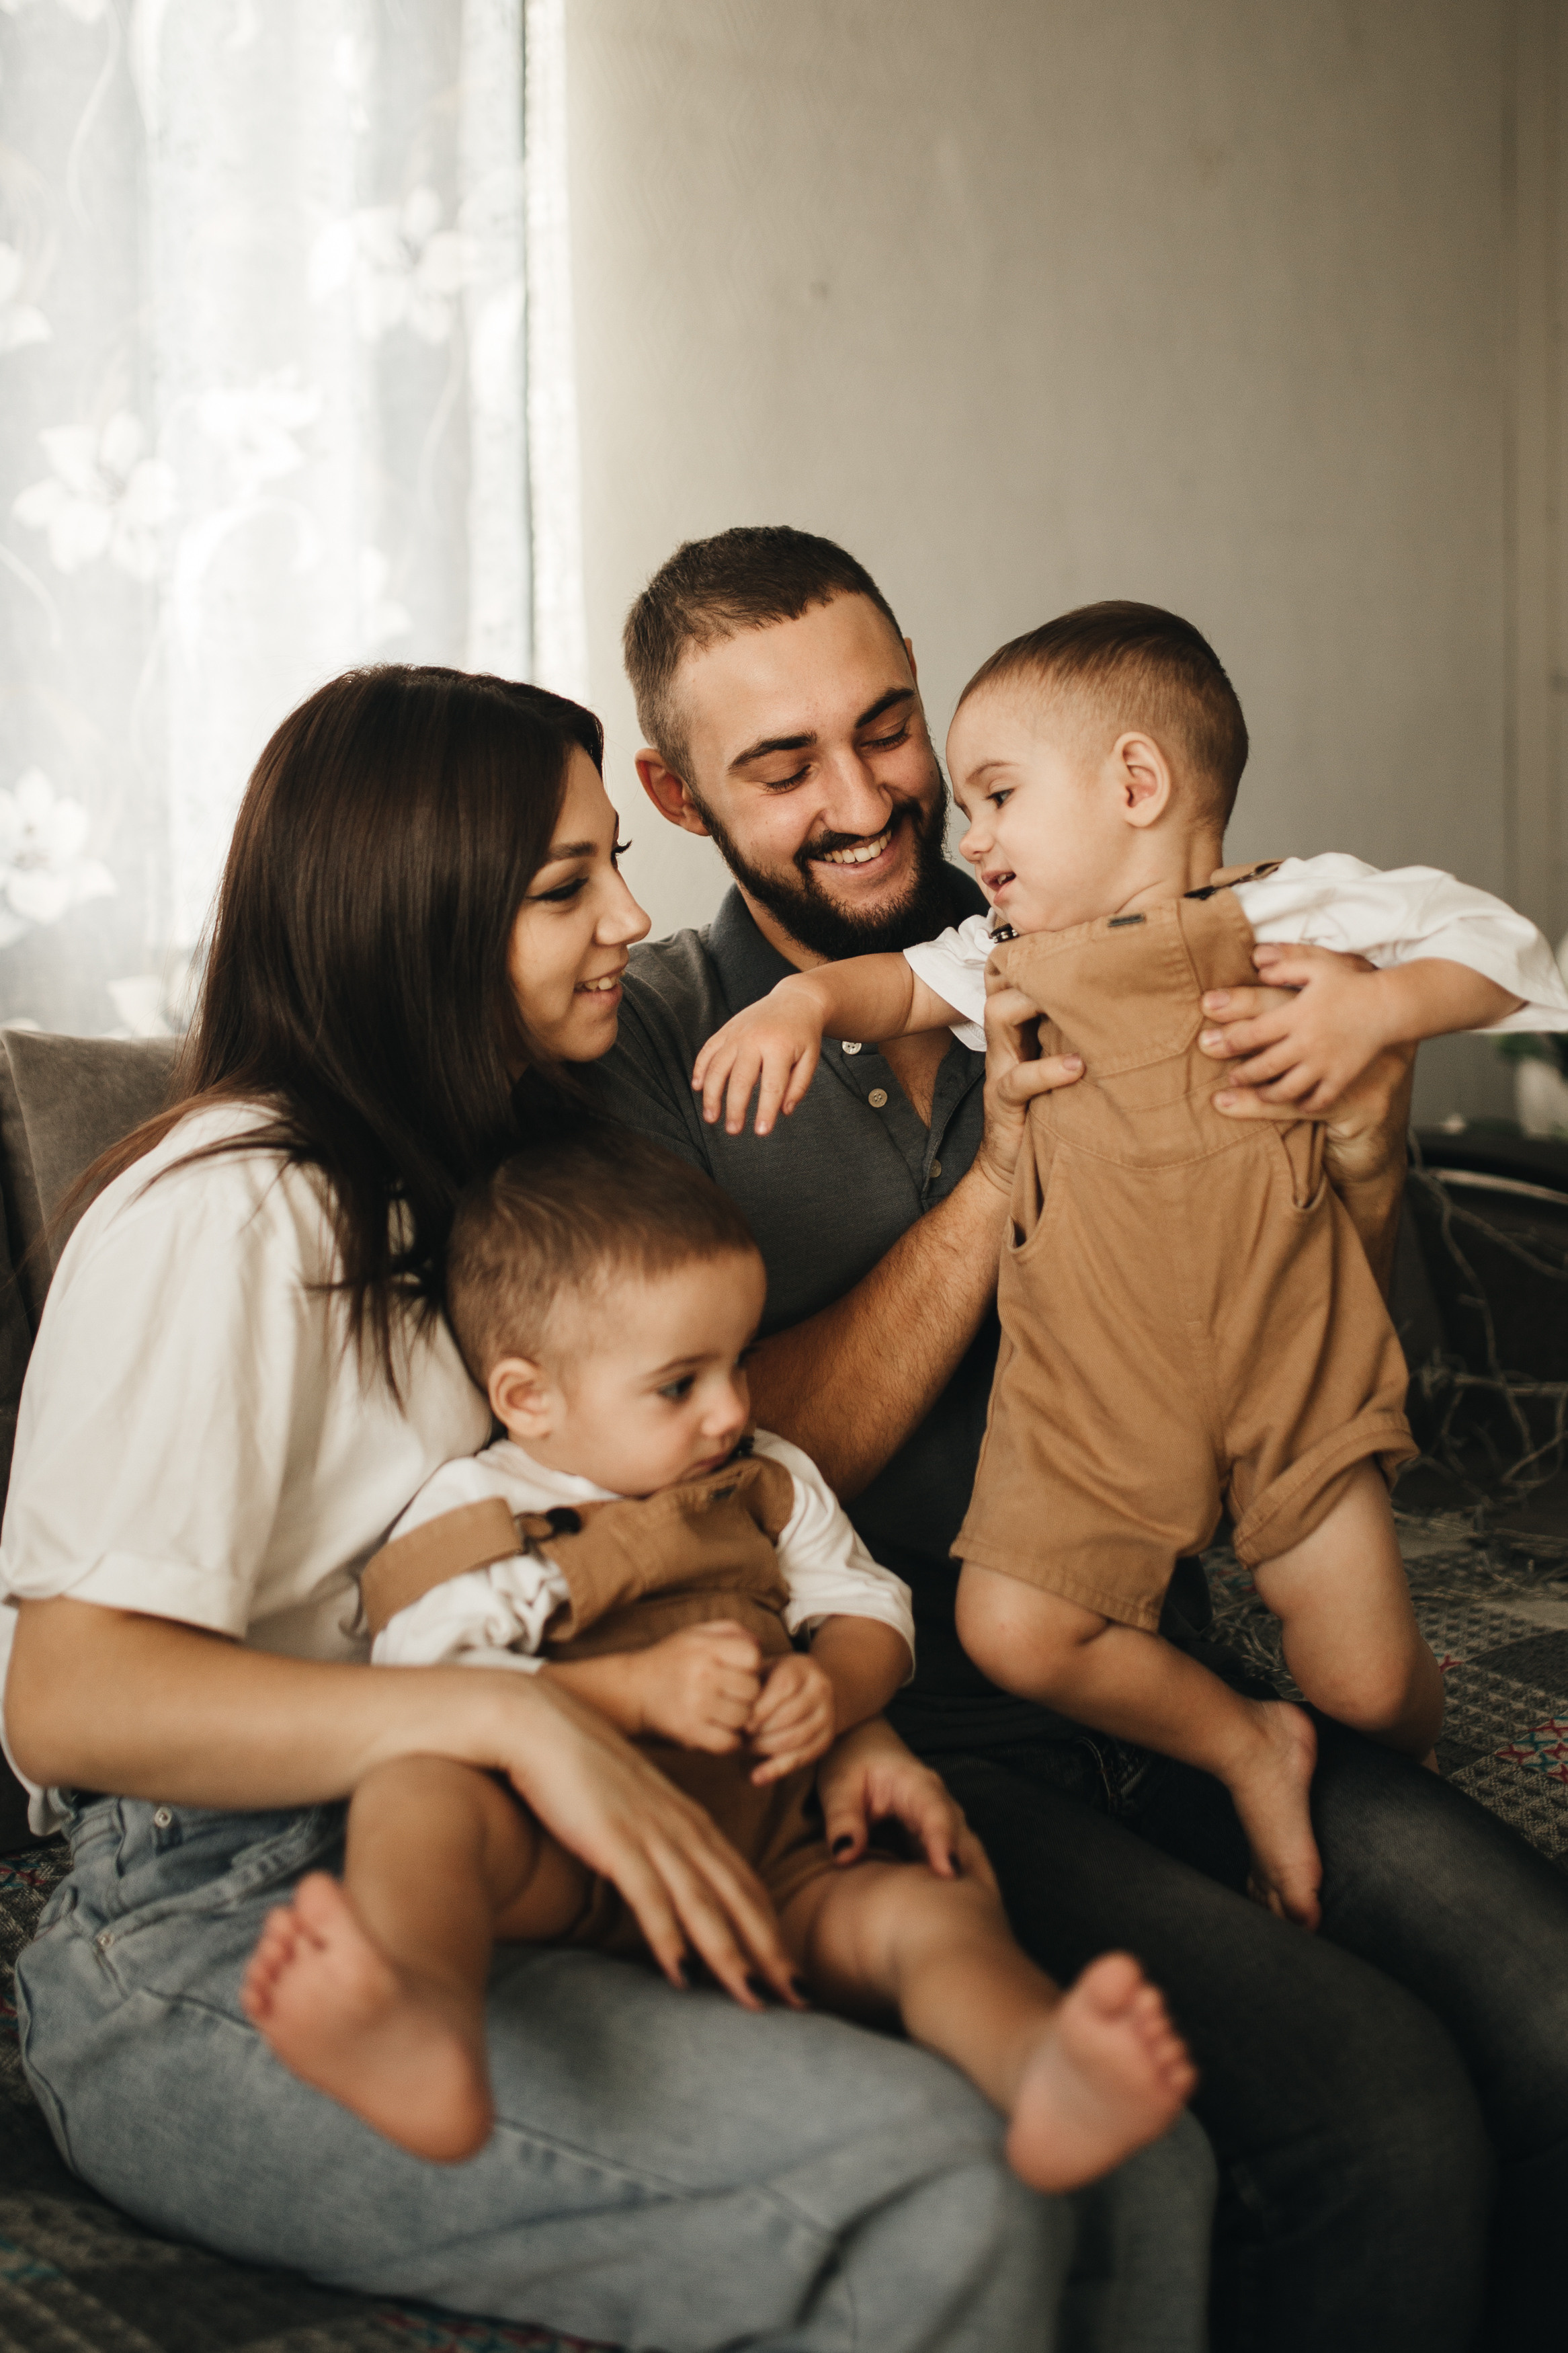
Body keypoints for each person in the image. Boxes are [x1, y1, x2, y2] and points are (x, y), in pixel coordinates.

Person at [0, 664, 1214, 2353]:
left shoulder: (496, 1208)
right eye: (569, 884)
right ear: (413, 919)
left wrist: (825, 1707)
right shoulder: (232, 1212)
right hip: (223, 1916)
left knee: (1140, 2166)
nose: (635, 916)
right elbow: (67, 1696)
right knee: (928, 2172)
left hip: (532, 1829)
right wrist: (523, 1724)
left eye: (616, 863)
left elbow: (683, 1519)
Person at [586, 524, 1568, 2353]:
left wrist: (1358, 1142)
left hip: (1179, 1639)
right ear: (671, 789)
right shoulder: (655, 1040)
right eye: (783, 765)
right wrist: (993, 1188)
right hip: (921, 1719)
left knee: (1554, 2015)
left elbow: (1340, 1352)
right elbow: (699, 1459)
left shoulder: (1071, 920)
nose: (880, 802)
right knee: (1378, 2118)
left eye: (889, 728)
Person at [689, 599, 1568, 1929]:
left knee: (1370, 1687)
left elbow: (1510, 953)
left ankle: (1395, 1752)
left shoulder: (1300, 908)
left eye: (993, 795)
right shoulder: (1004, 957)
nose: (967, 838)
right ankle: (1237, 1740)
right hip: (1102, 1402)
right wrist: (804, 999)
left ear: (1137, 784)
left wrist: (1380, 1011)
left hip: (1294, 1380)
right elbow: (895, 988)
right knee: (1017, 1626)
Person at [241, 1127, 1196, 2190]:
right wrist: (627, 1691)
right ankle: (417, 2008)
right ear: (527, 1399)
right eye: (678, 1384)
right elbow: (426, 1686)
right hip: (560, 1866)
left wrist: (831, 1689)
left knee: (931, 1912)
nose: (734, 1408)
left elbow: (868, 1610)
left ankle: (1037, 2067)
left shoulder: (766, 1481)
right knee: (417, 1792)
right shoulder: (485, 1511)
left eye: (737, 1361)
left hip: (773, 1856)